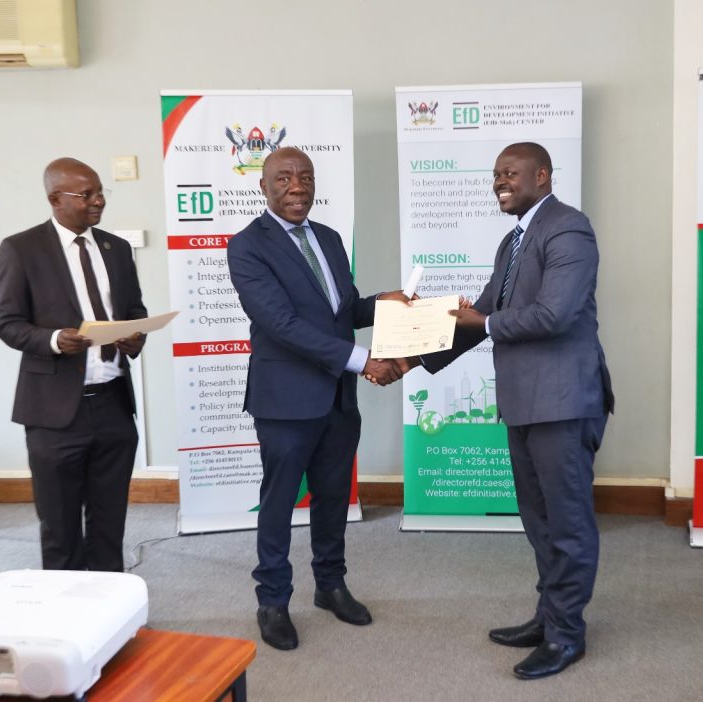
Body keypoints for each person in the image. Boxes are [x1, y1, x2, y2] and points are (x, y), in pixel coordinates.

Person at [396, 142, 613, 679]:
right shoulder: (512, 241)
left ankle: (567, 636)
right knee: (539, 521)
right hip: (524, 402)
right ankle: (550, 614)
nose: (500, 182)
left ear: (542, 175)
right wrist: (408, 358)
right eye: (496, 174)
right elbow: (486, 313)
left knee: (566, 523)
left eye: (511, 173)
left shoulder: (568, 229)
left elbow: (552, 315)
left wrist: (478, 322)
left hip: (563, 402)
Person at [227, 146, 407, 651]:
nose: (297, 186)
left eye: (305, 177)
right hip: (285, 398)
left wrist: (381, 304)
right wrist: (362, 360)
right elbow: (281, 325)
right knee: (280, 501)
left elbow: (340, 310)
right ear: (263, 186)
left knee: (333, 497)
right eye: (284, 178)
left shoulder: (328, 238)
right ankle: (273, 600)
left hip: (336, 398)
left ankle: (330, 584)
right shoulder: (247, 247)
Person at [0, 157, 148, 572]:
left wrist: (136, 336)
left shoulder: (116, 249)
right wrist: (53, 340)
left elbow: (134, 309)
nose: (98, 201)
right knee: (60, 530)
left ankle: (112, 620)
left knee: (108, 524)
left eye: (101, 192)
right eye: (88, 195)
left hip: (114, 405)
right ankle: (67, 625)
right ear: (55, 198)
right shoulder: (21, 249)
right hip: (53, 411)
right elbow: (9, 325)